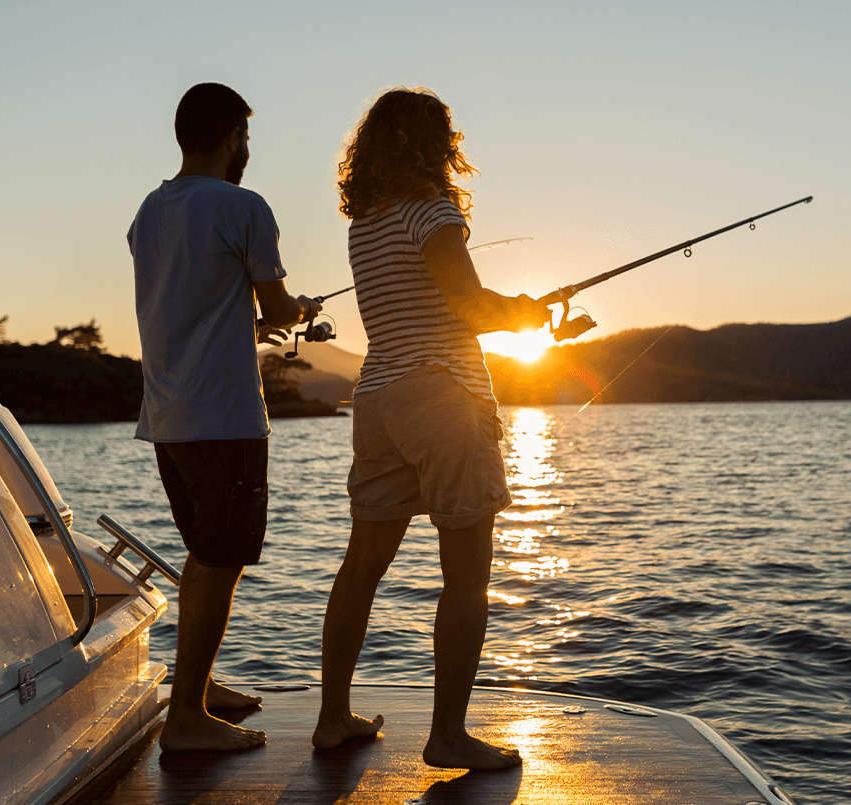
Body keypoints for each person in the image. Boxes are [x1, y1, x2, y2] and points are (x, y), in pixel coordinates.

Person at [312, 87, 549, 770]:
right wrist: (525, 312)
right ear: (436, 144)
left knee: (362, 566)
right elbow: (468, 304)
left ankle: (333, 717)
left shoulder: (366, 225)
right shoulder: (432, 211)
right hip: (444, 397)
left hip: (379, 398)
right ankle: (447, 734)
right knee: (467, 576)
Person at [128, 82, 320, 753]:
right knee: (221, 556)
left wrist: (264, 318)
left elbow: (201, 305)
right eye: (246, 135)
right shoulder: (244, 208)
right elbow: (278, 304)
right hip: (225, 417)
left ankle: (197, 691)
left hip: (169, 417)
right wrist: (296, 311)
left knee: (205, 553)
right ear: (232, 134)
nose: (248, 148)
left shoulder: (149, 213)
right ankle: (184, 719)